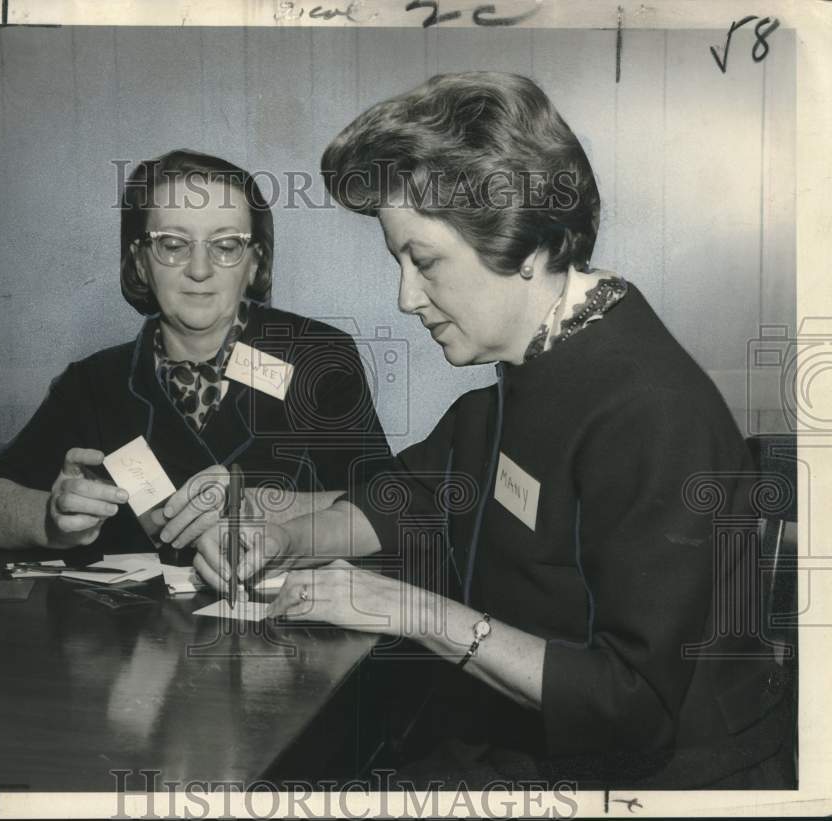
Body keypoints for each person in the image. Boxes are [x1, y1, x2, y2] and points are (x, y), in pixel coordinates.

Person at [193, 74, 794, 788]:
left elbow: (631, 703)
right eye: (399, 263)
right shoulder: (538, 364)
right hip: (532, 750)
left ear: (526, 246)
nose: (406, 296)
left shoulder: (649, 410)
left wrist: (414, 611)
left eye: (424, 262)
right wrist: (284, 538)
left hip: (661, 781)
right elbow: (410, 495)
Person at [0, 150, 392, 563]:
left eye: (225, 245)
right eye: (172, 244)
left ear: (254, 263)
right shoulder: (95, 382)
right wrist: (50, 520)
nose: (199, 269)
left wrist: (262, 506)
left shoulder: (317, 358)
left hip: (286, 632)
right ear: (141, 262)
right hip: (136, 637)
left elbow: (394, 504)